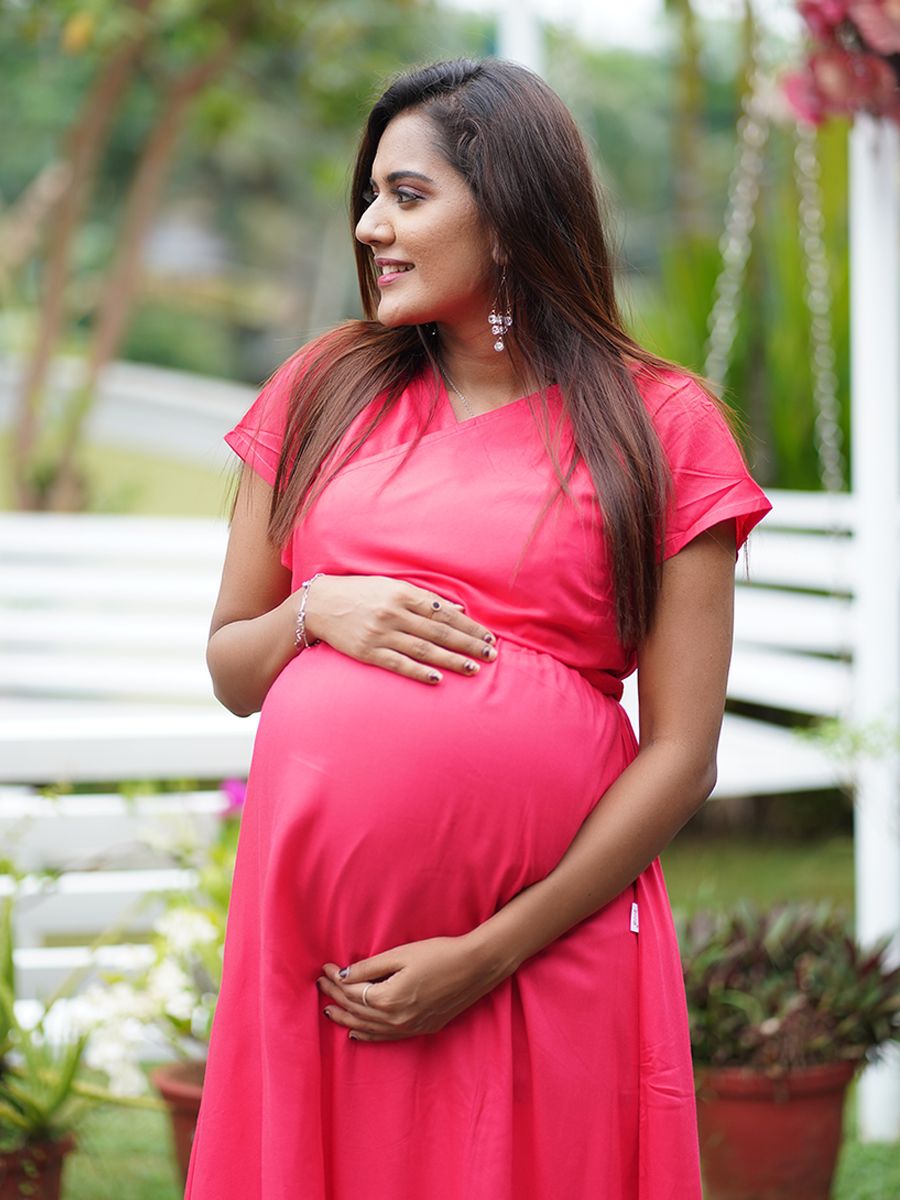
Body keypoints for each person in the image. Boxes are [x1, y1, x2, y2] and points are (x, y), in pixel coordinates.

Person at [187, 57, 771, 1200]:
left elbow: (682, 755)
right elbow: (230, 669)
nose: (369, 225)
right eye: (371, 195)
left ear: (507, 213)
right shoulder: (326, 389)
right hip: (322, 958)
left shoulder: (662, 424)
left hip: (542, 951)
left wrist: (490, 953)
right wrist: (314, 610)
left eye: (407, 196)